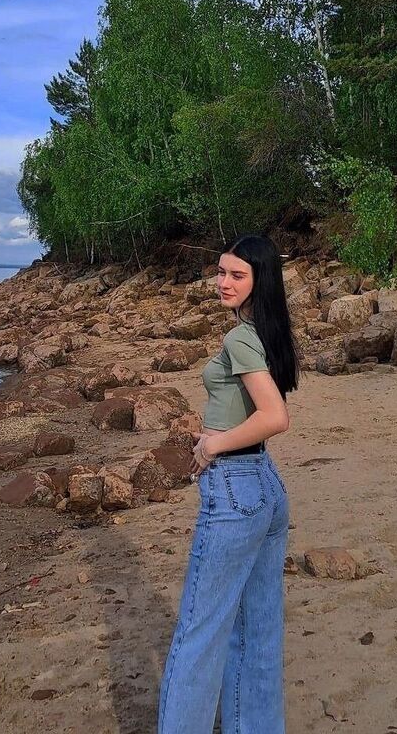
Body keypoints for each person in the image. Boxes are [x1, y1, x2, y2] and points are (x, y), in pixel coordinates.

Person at [158, 233, 299, 734]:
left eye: (237, 275)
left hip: (236, 488)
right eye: (221, 272)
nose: (224, 282)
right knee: (257, 629)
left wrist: (213, 445)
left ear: (260, 280)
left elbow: (275, 416)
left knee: (198, 635)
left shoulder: (240, 338)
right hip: (264, 485)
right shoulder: (267, 331)